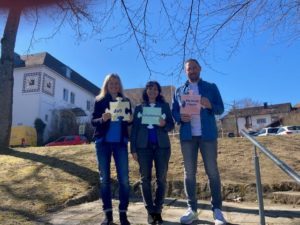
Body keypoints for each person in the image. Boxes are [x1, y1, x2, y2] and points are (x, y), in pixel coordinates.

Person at [172, 59, 226, 225]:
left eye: (194, 67)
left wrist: (210, 105)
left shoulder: (211, 87)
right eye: (189, 69)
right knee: (189, 173)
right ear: (185, 71)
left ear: (200, 69)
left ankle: (217, 211)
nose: (192, 70)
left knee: (212, 172)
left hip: (207, 135)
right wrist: (179, 117)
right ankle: (192, 209)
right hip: (188, 136)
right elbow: (174, 111)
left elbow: (220, 108)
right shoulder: (179, 90)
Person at [130, 81, 174, 224]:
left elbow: (171, 125)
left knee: (161, 179)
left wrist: (164, 124)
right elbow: (135, 129)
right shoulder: (139, 108)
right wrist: (133, 149)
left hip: (162, 147)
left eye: (155, 89)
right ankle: (150, 211)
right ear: (146, 91)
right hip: (143, 148)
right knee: (145, 180)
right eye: (149, 89)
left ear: (158, 91)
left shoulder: (165, 106)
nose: (152, 91)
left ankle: (158, 210)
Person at [91, 73, 132, 225]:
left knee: (125, 180)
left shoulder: (126, 101)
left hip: (120, 144)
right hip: (103, 144)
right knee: (104, 180)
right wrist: (103, 119)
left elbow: (128, 122)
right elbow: (93, 121)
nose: (114, 86)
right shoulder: (100, 100)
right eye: (111, 83)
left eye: (116, 83)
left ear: (120, 85)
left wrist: (130, 120)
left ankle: (123, 214)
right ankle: (108, 215)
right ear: (106, 86)